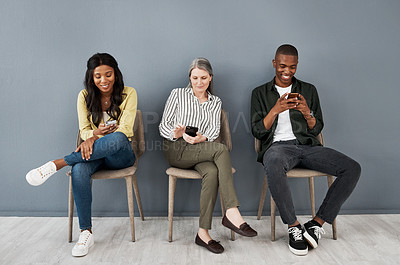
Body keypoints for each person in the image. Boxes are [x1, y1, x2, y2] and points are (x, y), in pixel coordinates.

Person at [251, 44, 361, 256]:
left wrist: (306, 111)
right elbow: (257, 130)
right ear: (274, 64)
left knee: (352, 168)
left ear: (297, 66)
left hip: (308, 147)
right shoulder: (259, 93)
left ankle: (316, 224)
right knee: (272, 161)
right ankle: (294, 228)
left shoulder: (309, 90)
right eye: (282, 66)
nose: (287, 71)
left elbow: (317, 128)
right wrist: (275, 110)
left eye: (292, 67)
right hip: (278, 148)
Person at [26, 53, 137, 257]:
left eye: (108, 74)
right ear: (91, 77)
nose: (104, 80)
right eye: (98, 76)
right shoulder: (84, 96)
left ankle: (59, 163)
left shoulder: (129, 93)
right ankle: (86, 232)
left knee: (119, 138)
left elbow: (127, 129)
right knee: (78, 170)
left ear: (116, 74)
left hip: (120, 155)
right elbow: (84, 130)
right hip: (94, 154)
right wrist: (93, 135)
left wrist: (95, 138)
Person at [159, 57, 257, 254]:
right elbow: (163, 126)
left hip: (199, 149)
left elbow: (213, 131)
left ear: (210, 78)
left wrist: (201, 138)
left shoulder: (215, 102)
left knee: (211, 172)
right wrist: (176, 133)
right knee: (220, 149)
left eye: (203, 77)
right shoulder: (178, 94)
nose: (199, 82)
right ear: (190, 77)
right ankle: (231, 211)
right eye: (195, 78)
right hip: (176, 149)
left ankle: (203, 234)